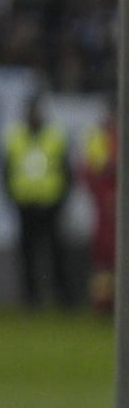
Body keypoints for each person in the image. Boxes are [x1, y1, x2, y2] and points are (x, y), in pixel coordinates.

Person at [4, 99, 78, 310]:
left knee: (56, 253)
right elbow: (7, 171)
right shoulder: (15, 137)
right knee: (27, 255)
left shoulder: (54, 137)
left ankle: (62, 296)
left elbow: (66, 172)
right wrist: (14, 197)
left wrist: (60, 201)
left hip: (50, 204)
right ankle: (30, 297)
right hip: (25, 204)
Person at [89, 114, 117, 314]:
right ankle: (103, 302)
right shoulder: (97, 140)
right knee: (103, 260)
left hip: (113, 205)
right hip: (104, 209)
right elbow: (90, 172)